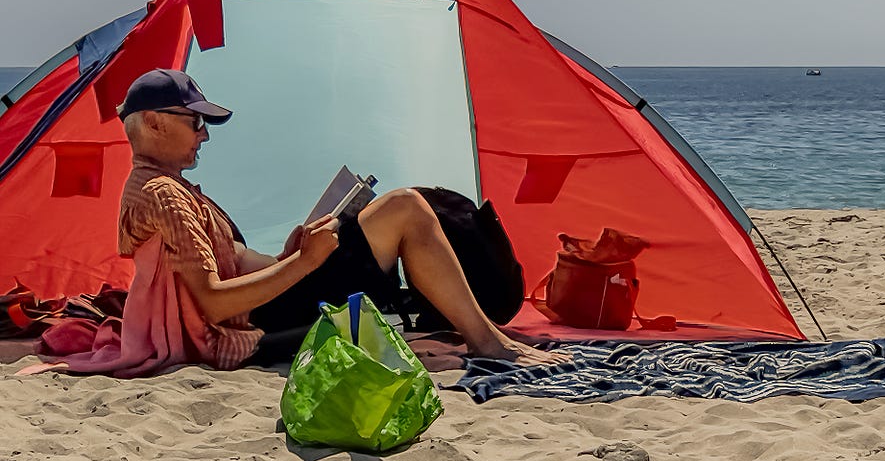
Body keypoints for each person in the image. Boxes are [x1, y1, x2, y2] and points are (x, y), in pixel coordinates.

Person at [116, 68, 565, 371]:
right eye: (195, 122)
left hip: (276, 291)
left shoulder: (162, 188)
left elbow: (223, 267)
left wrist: (286, 255)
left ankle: (483, 331)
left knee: (389, 211)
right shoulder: (163, 195)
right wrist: (304, 264)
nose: (204, 134)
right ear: (155, 123)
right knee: (403, 207)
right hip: (267, 316)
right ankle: (487, 339)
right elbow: (212, 303)